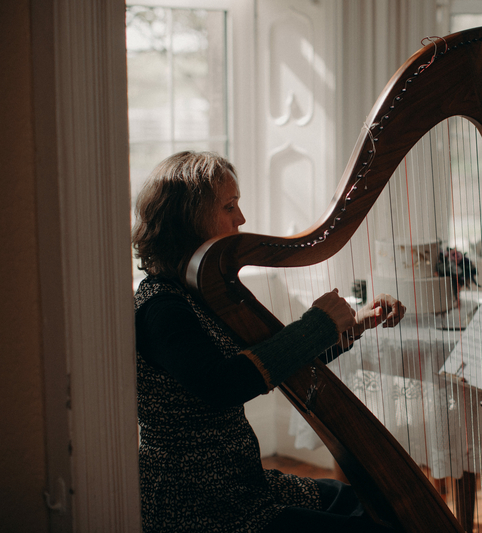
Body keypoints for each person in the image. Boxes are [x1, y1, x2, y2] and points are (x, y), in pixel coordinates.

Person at [131, 151, 405, 533]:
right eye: (230, 206)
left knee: (373, 503)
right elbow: (223, 384)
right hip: (201, 504)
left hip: (241, 485)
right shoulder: (162, 307)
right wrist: (317, 325)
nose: (241, 219)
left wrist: (356, 325)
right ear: (189, 219)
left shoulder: (200, 292)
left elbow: (271, 359)